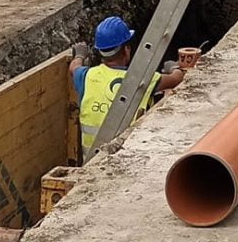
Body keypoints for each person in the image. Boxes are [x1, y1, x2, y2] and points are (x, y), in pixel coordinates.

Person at [70, 15, 186, 155]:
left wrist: (80, 55)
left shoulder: (87, 76)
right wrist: (173, 67)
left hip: (90, 159)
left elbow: (74, 68)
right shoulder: (141, 79)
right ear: (126, 50)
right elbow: (177, 78)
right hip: (128, 157)